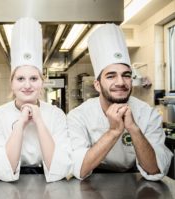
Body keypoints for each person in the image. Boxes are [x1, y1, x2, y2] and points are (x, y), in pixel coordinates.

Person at [67, 23, 173, 181]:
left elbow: (155, 170)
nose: (120, 82)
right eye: (111, 76)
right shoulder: (79, 116)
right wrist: (114, 131)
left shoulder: (147, 114)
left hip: (137, 179)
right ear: (97, 85)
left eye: (126, 75)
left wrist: (133, 129)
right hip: (92, 182)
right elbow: (80, 169)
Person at [0, 17, 72, 182]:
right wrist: (20, 123)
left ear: (42, 83)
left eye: (34, 79)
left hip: (47, 181)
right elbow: (4, 170)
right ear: (11, 84)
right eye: (20, 79)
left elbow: (59, 170)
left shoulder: (56, 115)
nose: (27, 85)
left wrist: (39, 121)